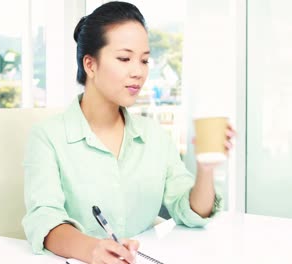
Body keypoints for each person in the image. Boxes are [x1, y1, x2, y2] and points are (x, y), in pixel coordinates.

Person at [22, 1, 235, 264]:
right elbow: (44, 219)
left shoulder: (154, 136)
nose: (138, 72)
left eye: (144, 60)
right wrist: (93, 250)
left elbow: (189, 212)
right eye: (124, 58)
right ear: (90, 65)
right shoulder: (47, 137)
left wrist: (206, 169)